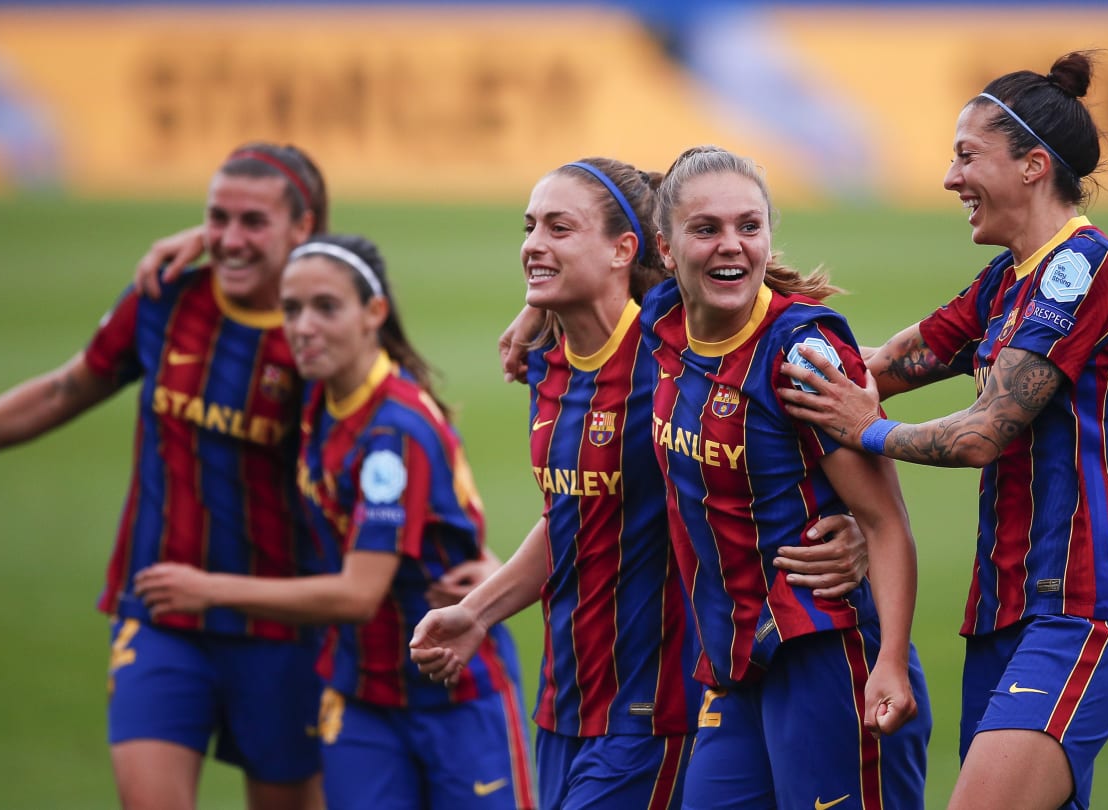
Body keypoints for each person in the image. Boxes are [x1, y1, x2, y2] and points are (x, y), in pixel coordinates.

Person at [0, 142, 330, 810]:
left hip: (281, 627)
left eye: (253, 223)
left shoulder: (326, 334)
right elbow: (63, 390)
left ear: (303, 229)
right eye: (216, 219)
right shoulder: (166, 295)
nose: (229, 239)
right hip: (160, 611)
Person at [409, 157, 874, 809]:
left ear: (626, 248)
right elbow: (572, 519)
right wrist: (477, 614)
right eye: (529, 227)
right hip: (566, 702)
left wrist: (857, 528)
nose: (534, 244)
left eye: (559, 228)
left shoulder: (669, 352)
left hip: (656, 706)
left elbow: (793, 429)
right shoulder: (547, 361)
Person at [778, 52, 1108, 810]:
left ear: (1033, 166)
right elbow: (875, 368)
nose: (950, 179)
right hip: (1001, 617)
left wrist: (870, 433)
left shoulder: (1082, 270)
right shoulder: (1005, 281)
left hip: (1074, 613)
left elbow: (985, 432)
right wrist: (754, 339)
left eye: (966, 157)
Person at [133, 233, 535, 810]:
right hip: (360, 695)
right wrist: (209, 241)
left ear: (373, 313)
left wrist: (205, 591)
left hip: (453, 694)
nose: (303, 326)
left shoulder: (391, 435)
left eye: (326, 308)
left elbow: (357, 594)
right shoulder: (318, 396)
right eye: (291, 309)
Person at [639, 145, 930, 809]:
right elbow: (593, 227)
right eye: (705, 229)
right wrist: (536, 309)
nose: (730, 247)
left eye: (749, 226)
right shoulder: (663, 319)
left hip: (829, 653)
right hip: (738, 660)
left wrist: (889, 663)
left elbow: (885, 522)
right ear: (664, 246)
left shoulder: (800, 355)